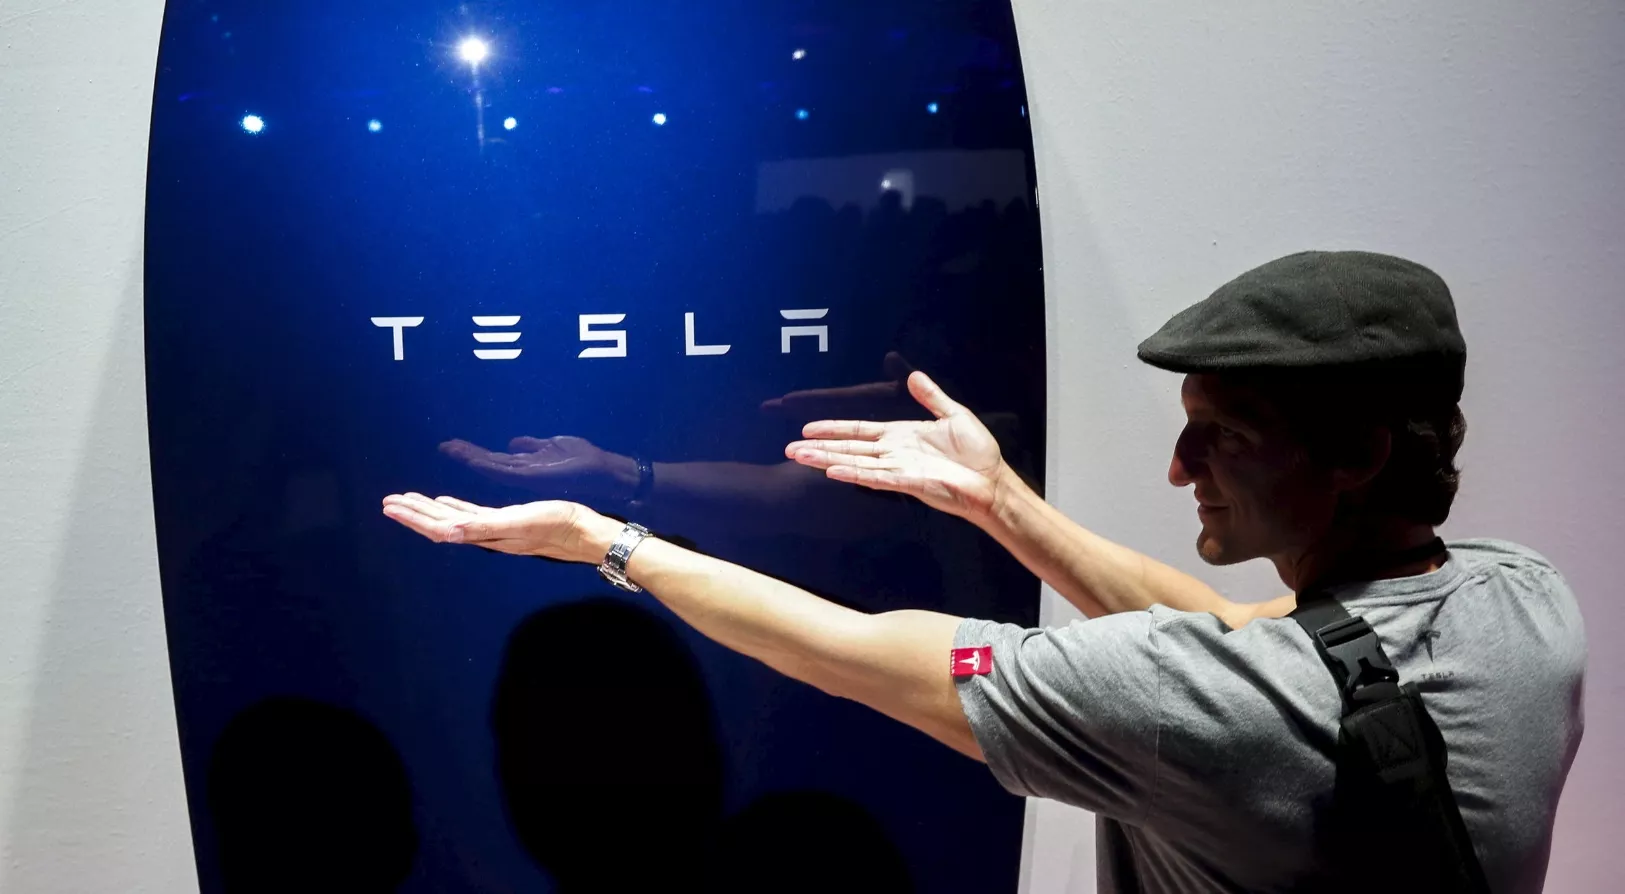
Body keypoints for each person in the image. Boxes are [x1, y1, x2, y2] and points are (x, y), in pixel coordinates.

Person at [383, 251, 1584, 893]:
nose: (1179, 470)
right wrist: (1000, 503)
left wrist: (603, 541)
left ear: (1359, 455)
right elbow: (1257, 642)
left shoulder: (1183, 703)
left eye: (1221, 432)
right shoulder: (1520, 599)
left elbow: (845, 651)